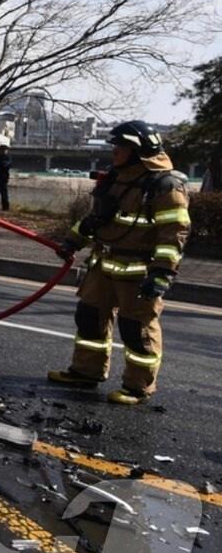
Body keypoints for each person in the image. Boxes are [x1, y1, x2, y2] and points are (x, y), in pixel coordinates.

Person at [48, 121, 190, 405]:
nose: (114, 152)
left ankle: (137, 387)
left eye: (120, 147)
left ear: (138, 151)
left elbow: (174, 233)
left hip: (139, 272)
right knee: (89, 319)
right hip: (103, 265)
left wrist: (162, 273)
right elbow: (96, 219)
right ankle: (86, 372)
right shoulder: (116, 178)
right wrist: (73, 241)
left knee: (136, 330)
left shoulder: (165, 185)